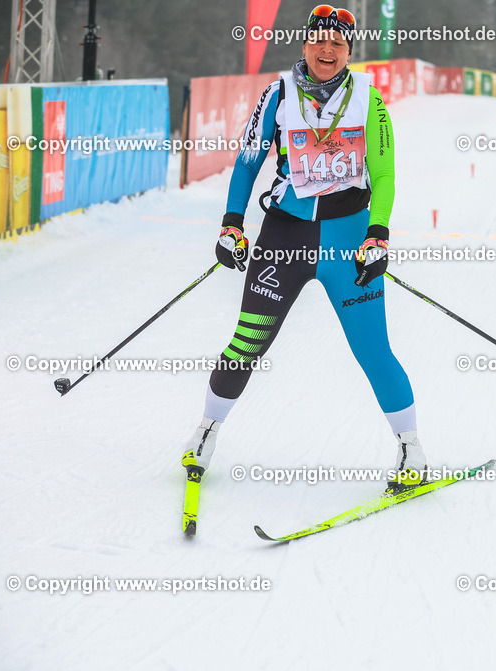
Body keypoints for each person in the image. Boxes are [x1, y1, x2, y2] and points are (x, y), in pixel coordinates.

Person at [181, 5, 428, 495]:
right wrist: (233, 224)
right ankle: (205, 432)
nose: (327, 50)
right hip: (284, 238)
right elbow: (248, 161)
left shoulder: (369, 100)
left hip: (348, 241)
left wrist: (378, 235)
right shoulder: (277, 94)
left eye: (337, 44)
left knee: (373, 349)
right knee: (248, 342)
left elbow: (384, 174)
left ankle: (411, 448)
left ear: (349, 51)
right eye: (319, 41)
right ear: (304, 45)